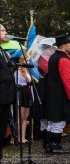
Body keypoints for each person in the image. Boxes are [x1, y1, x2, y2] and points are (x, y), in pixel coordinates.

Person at [45, 34, 70, 154]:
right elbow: (67, 80)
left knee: (52, 121)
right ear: (64, 45)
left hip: (52, 92)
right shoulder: (63, 59)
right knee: (59, 120)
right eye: (69, 43)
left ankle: (48, 145)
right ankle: (55, 146)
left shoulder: (53, 57)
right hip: (60, 93)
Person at [0, 24, 16, 161]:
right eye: (3, 30)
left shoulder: (3, 51)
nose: (6, 32)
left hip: (6, 97)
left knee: (2, 129)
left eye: (6, 29)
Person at [14, 55, 32, 144]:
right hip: (20, 93)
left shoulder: (28, 71)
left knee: (25, 117)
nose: (27, 61)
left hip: (27, 93)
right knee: (20, 117)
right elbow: (16, 83)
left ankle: (23, 137)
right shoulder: (17, 72)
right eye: (26, 60)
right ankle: (18, 137)